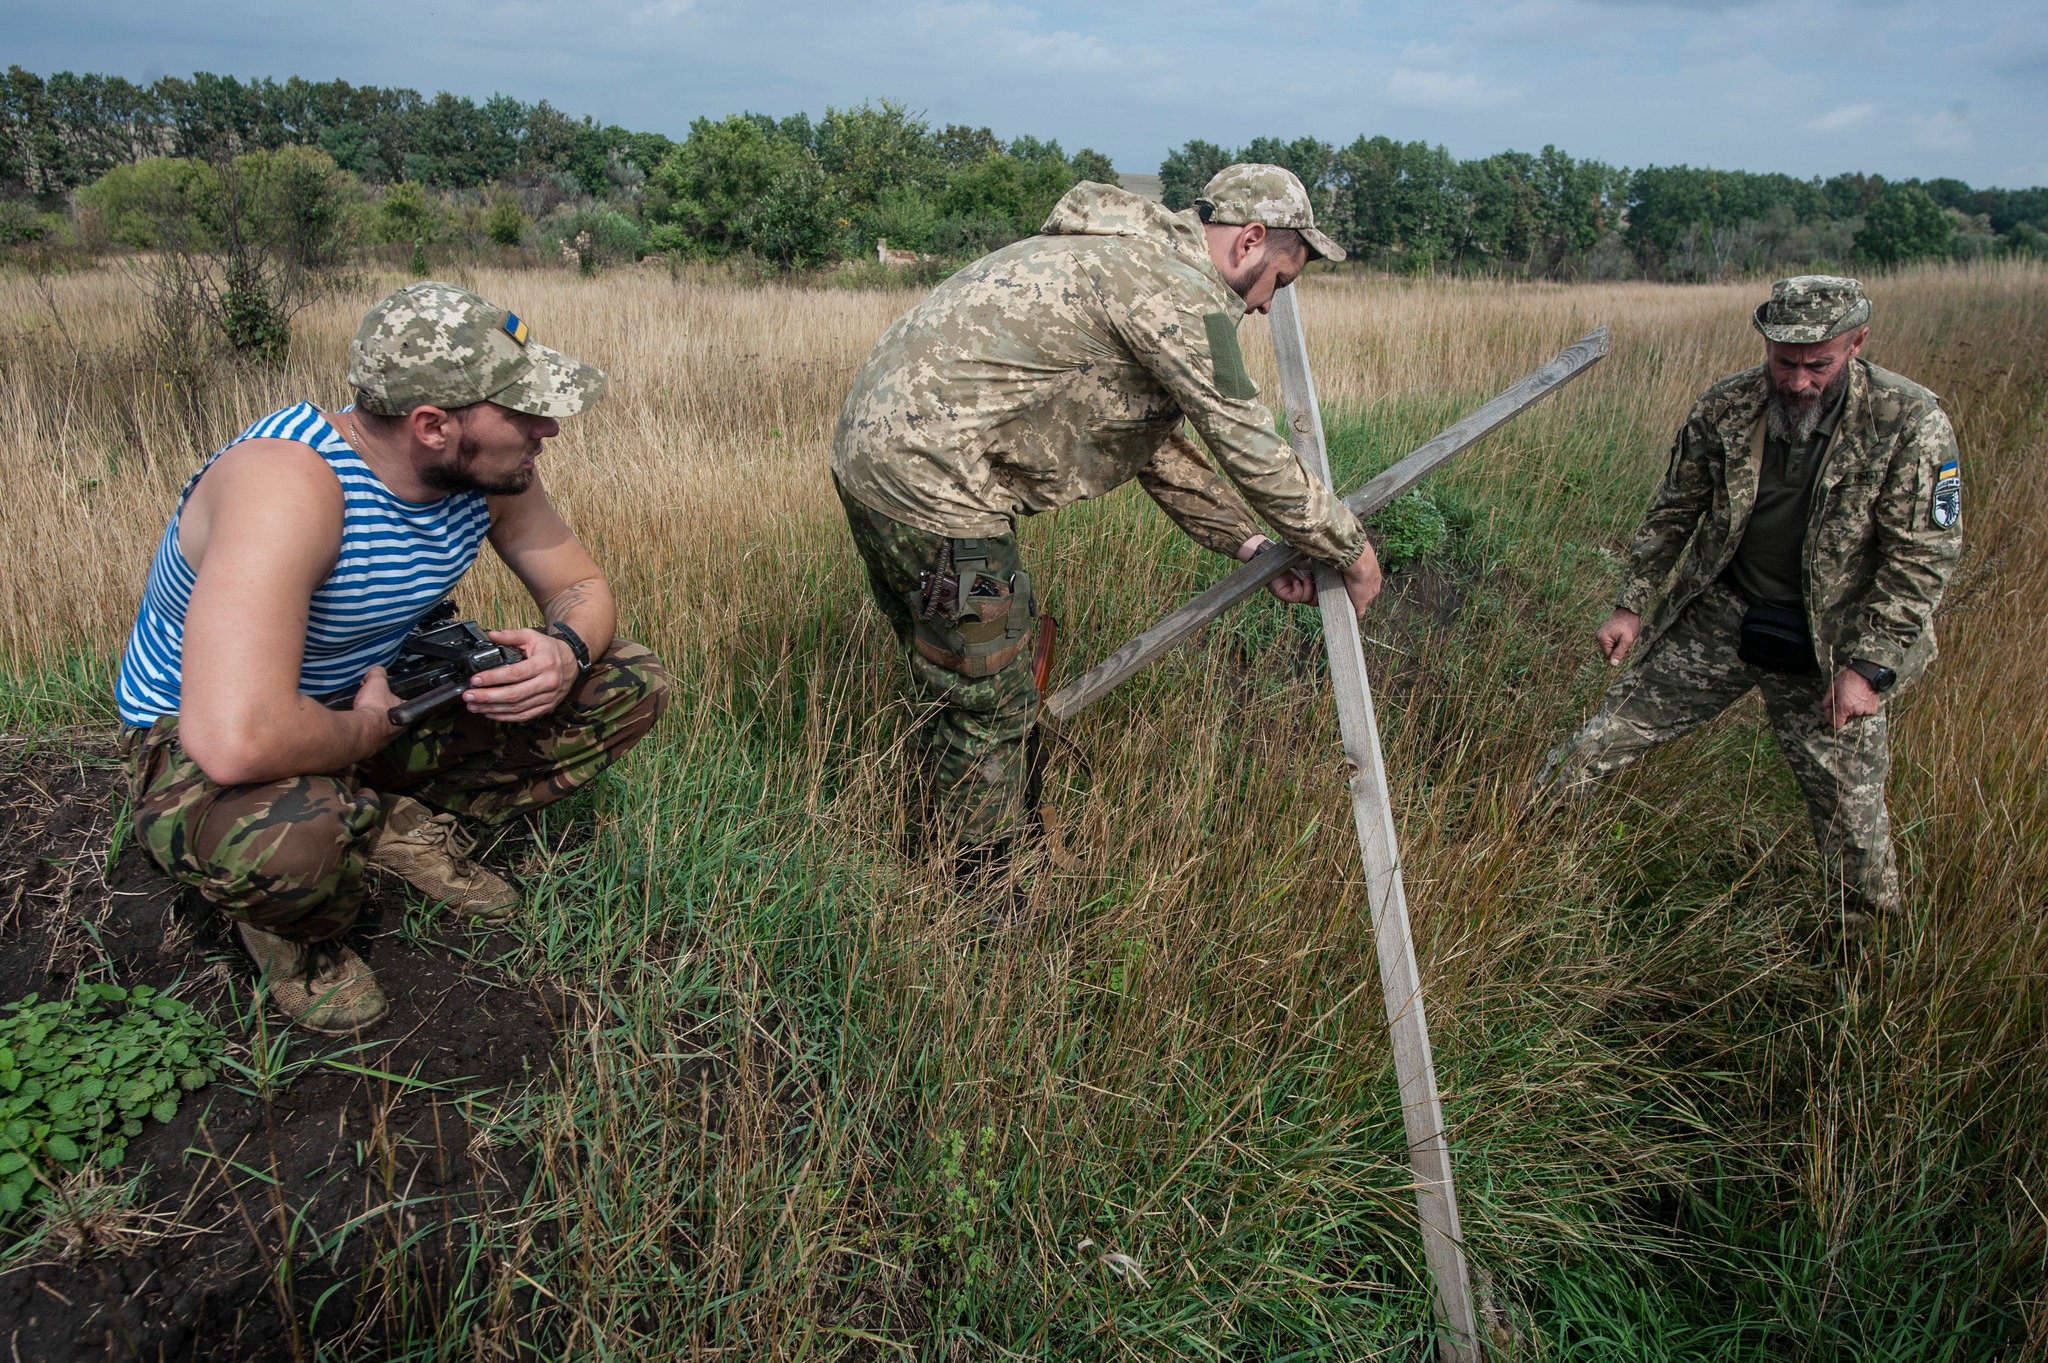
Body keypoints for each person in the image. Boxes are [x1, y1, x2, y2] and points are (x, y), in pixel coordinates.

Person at [115, 282, 670, 1033]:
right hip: (204, 737)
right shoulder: (287, 487)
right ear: (432, 424)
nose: (548, 428)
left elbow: (578, 584)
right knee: (289, 844)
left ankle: (376, 813)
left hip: (367, 698)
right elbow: (233, 737)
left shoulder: (485, 473)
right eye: (522, 410)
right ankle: (299, 928)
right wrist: (368, 731)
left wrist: (565, 652)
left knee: (626, 680)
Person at [830, 163, 1383, 885]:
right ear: (1249, 241)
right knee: (992, 697)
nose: (1269, 307)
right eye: (1282, 281)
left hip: (876, 464)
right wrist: (1352, 549)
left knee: (962, 678)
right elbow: (1252, 448)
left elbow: (1158, 451)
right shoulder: (1182, 295)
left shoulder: (1128, 259)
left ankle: (948, 837)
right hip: (935, 487)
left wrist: (1248, 544)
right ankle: (982, 893)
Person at [1534, 275, 1962, 943]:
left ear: (1857, 344)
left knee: (1852, 818)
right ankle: (1523, 867)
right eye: (1783, 361)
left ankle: (1864, 970)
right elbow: (1675, 508)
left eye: (1817, 364)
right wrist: (1631, 603)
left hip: (1837, 646)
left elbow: (1921, 560)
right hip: (1726, 617)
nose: (1796, 381)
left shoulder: (1909, 423)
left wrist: (1869, 668)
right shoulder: (1728, 406)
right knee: (1598, 741)